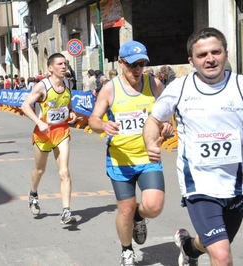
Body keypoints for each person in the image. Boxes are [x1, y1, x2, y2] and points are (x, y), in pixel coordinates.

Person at [143, 27, 243, 266]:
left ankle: (189, 248)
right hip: (200, 185)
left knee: (214, 242)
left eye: (215, 52)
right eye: (202, 55)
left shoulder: (240, 86)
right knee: (221, 255)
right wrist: (150, 143)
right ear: (191, 61)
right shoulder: (180, 89)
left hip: (236, 184)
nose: (210, 59)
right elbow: (154, 120)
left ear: (225, 53)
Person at [88, 41, 173, 265]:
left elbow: (166, 113)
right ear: (121, 63)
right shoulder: (110, 89)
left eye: (142, 64)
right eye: (132, 65)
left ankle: (139, 217)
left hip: (148, 157)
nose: (137, 70)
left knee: (154, 206)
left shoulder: (154, 84)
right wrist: (103, 125)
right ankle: (127, 250)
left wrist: (166, 125)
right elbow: (93, 119)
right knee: (124, 209)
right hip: (120, 159)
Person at [21, 53, 78, 225]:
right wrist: (39, 122)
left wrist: (72, 113)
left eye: (65, 63)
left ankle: (66, 212)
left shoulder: (69, 83)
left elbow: (68, 105)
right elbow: (25, 105)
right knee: (40, 170)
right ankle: (33, 193)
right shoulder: (42, 86)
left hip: (61, 131)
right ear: (50, 68)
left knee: (64, 171)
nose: (64, 66)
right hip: (43, 134)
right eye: (60, 64)